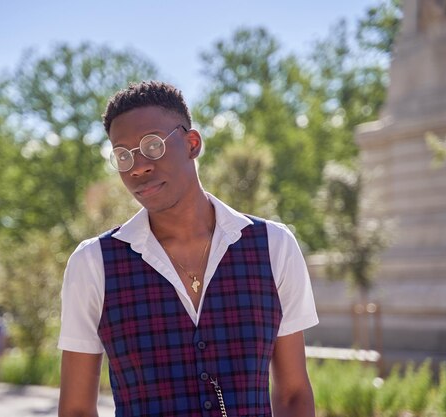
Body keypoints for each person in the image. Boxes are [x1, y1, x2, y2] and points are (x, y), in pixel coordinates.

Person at [57, 81, 319, 417]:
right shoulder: (93, 264)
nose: (138, 167)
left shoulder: (274, 246)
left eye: (152, 145)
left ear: (192, 143)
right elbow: (77, 409)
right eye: (122, 155)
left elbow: (294, 394)